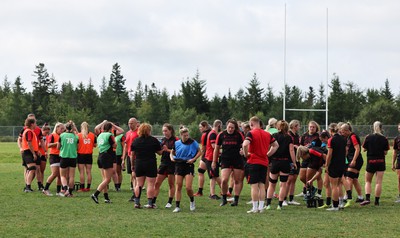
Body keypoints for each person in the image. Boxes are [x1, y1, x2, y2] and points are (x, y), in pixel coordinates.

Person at [243, 116, 279, 213]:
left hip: (253, 161)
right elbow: (276, 145)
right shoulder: (267, 134)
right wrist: (268, 154)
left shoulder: (251, 133)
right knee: (262, 185)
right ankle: (261, 207)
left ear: (251, 124)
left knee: (254, 186)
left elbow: (245, 144)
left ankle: (255, 207)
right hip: (264, 162)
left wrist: (246, 154)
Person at [266, 120, 296, 210]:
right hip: (285, 162)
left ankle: (268, 204)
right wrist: (294, 162)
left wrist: (267, 158)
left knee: (272, 184)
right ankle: (280, 204)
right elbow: (291, 150)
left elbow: (269, 148)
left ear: (277, 127)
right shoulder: (289, 138)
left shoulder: (273, 136)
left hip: (275, 162)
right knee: (283, 185)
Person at [130, 123, 162, 209]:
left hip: (139, 163)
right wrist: (164, 149)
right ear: (148, 130)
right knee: (151, 184)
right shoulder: (153, 140)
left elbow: (132, 155)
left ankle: (137, 202)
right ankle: (150, 203)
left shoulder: (136, 141)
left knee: (139, 184)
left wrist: (132, 165)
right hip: (150, 163)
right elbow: (159, 153)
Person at [214, 119, 244, 207]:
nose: (230, 129)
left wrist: (243, 151)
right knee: (224, 180)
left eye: (232, 128)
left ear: (235, 128)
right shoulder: (221, 135)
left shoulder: (239, 135)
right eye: (229, 127)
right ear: (226, 126)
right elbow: (216, 149)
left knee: (237, 180)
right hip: (225, 159)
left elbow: (244, 145)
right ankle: (224, 198)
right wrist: (214, 161)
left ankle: (236, 199)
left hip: (237, 159)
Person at [170, 127, 201, 213]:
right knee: (178, 185)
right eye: (185, 135)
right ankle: (177, 206)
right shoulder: (177, 143)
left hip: (188, 165)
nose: (187, 137)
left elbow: (199, 151)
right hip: (179, 164)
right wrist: (172, 157)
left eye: (187, 135)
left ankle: (192, 201)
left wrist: (193, 158)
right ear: (181, 136)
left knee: (188, 187)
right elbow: (172, 152)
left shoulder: (193, 142)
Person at [360, 121, 390, 206]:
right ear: (381, 128)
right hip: (381, 161)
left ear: (373, 127)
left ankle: (368, 198)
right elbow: (385, 152)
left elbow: (364, 149)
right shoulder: (384, 138)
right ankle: (377, 201)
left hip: (371, 161)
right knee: (378, 182)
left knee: (368, 181)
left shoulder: (368, 137)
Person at [91, 122, 117, 204]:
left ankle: (106, 198)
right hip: (107, 157)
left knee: (104, 179)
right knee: (107, 179)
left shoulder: (100, 135)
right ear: (110, 129)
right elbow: (114, 145)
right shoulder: (110, 135)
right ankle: (95, 194)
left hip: (100, 156)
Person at [154, 123, 178, 208]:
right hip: (163, 163)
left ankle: (170, 202)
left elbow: (177, 153)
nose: (164, 132)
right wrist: (155, 150)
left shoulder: (176, 140)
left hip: (172, 164)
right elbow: (160, 153)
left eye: (166, 131)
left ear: (170, 130)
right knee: (157, 183)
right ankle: (153, 202)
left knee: (171, 184)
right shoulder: (162, 140)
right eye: (163, 131)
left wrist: (167, 150)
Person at [340, 123, 364, 207]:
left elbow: (357, 149)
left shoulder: (353, 136)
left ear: (347, 130)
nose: (342, 133)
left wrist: (354, 160)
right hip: (351, 160)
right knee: (354, 180)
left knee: (349, 178)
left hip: (356, 160)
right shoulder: (348, 137)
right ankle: (360, 197)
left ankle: (346, 197)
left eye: (342, 132)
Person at [325, 123, 347, 211]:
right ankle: (339, 203)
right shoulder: (343, 139)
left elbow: (329, 154)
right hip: (342, 164)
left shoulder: (331, 140)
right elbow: (345, 151)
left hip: (334, 164)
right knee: (338, 185)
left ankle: (335, 206)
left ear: (330, 130)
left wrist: (326, 165)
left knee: (334, 186)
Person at [297, 121, 321, 198]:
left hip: (314, 158)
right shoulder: (304, 136)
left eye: (313, 127)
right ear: (308, 127)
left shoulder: (318, 136)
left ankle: (310, 193)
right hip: (305, 158)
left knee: (309, 177)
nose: (312, 128)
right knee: (302, 177)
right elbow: (301, 146)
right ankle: (312, 188)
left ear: (316, 128)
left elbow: (317, 146)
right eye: (310, 126)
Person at [42, 122, 65, 196]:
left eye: (63, 129)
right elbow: (48, 145)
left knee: (60, 175)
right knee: (54, 173)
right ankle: (45, 189)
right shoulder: (52, 135)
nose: (62, 130)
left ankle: (58, 191)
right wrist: (57, 143)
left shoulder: (62, 135)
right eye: (61, 128)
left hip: (61, 155)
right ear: (57, 128)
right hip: (54, 156)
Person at [58, 121, 79, 197]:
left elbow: (58, 147)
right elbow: (78, 147)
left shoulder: (62, 135)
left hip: (64, 156)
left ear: (65, 128)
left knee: (63, 175)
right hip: (73, 157)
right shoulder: (76, 136)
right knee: (72, 176)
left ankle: (65, 189)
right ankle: (70, 192)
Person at [204, 120, 223, 199]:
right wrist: (224, 147)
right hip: (211, 157)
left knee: (215, 176)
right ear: (218, 125)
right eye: (221, 126)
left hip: (211, 157)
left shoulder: (212, 133)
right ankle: (212, 194)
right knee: (213, 176)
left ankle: (224, 190)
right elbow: (214, 146)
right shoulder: (213, 134)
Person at [21, 117, 39, 192]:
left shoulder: (28, 131)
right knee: (32, 169)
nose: (36, 125)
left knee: (31, 169)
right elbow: (29, 143)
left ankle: (27, 186)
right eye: (35, 123)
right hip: (28, 152)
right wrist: (34, 153)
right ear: (32, 124)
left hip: (27, 152)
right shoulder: (29, 131)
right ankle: (27, 187)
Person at [77, 122, 97, 192]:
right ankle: (88, 187)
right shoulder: (92, 135)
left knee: (81, 172)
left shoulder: (78, 135)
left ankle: (82, 188)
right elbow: (95, 145)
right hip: (89, 154)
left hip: (81, 154)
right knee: (89, 171)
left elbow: (77, 146)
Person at [194, 121, 212, 197]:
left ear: (205, 127)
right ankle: (200, 191)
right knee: (201, 171)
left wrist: (201, 157)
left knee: (213, 175)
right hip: (209, 155)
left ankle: (225, 191)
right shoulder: (211, 132)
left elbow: (203, 147)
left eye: (201, 127)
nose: (200, 129)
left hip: (207, 156)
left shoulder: (205, 134)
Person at [123, 118, 139, 201]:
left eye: (132, 123)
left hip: (137, 157)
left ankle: (135, 194)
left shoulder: (139, 132)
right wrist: (123, 159)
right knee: (132, 176)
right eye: (129, 123)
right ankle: (135, 193)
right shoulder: (128, 133)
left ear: (136, 123)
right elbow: (126, 146)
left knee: (135, 175)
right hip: (129, 156)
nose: (130, 125)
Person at [286, 120, 301, 205]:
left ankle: (291, 199)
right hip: (290, 160)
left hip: (297, 159)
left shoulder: (297, 135)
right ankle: (284, 199)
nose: (299, 127)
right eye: (298, 126)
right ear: (294, 126)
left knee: (294, 180)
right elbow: (289, 147)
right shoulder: (289, 135)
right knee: (289, 180)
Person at [113, 124, 125, 192]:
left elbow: (124, 147)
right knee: (113, 171)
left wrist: (123, 156)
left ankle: (118, 185)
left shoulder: (121, 136)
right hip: (112, 154)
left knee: (118, 171)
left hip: (118, 155)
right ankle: (115, 184)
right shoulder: (112, 135)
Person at [392, 123, 400, 203]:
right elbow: (394, 152)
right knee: (399, 179)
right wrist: (392, 163)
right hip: (399, 160)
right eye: (399, 128)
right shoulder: (396, 139)